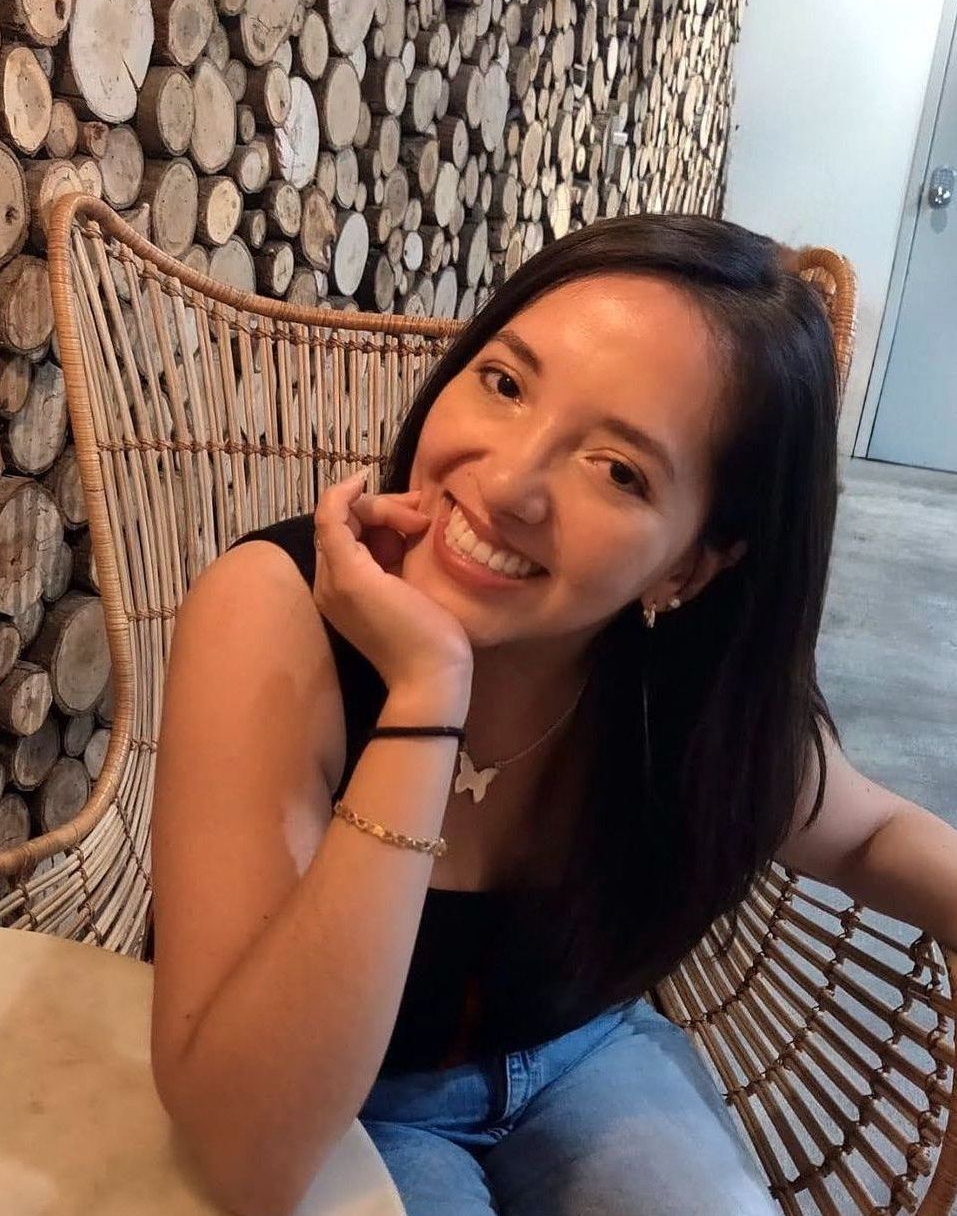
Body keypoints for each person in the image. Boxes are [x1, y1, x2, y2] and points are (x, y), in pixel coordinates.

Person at [148, 214, 957, 1216]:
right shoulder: (271, 613)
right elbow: (248, 1150)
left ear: (692, 562)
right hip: (345, 1102)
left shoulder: (682, 687)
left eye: (618, 470)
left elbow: (866, 827)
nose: (506, 483)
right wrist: (425, 699)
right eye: (505, 381)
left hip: (583, 1054)